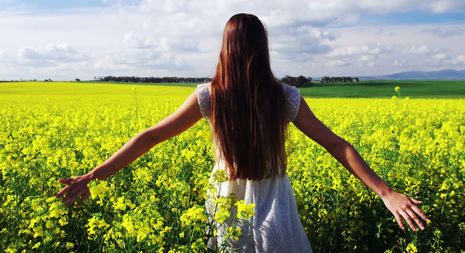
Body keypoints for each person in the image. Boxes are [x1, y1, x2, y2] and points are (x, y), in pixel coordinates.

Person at [55, 13, 429, 252]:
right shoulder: (283, 97)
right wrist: (386, 192)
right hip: (274, 203)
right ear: (262, 49)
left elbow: (150, 136)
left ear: (226, 49)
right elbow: (336, 144)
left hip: (226, 201)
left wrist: (93, 175)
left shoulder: (211, 96)